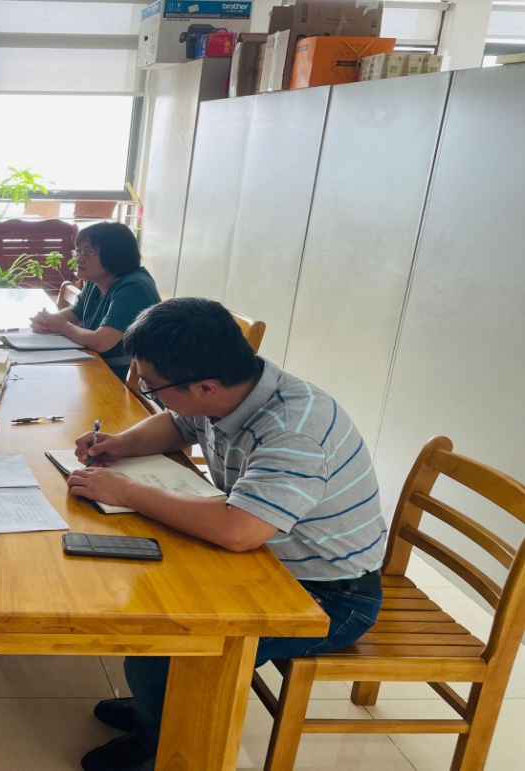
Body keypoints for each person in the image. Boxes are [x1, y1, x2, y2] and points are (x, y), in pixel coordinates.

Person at [68, 297, 384, 771]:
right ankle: (155, 707)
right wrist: (121, 444)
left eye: (152, 385)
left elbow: (240, 530)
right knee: (150, 598)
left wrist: (128, 491)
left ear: (205, 387)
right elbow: (179, 424)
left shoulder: (294, 431)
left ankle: (161, 745)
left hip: (329, 596)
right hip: (271, 561)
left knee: (170, 642)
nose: (150, 393)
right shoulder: (234, 389)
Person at [28, 222, 160, 379]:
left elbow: (101, 342)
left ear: (116, 256)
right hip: (98, 365)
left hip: (126, 378)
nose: (79, 259)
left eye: (89, 253)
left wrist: (62, 326)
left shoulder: (134, 288)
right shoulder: (97, 280)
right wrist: (46, 321)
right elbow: (76, 313)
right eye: (78, 252)